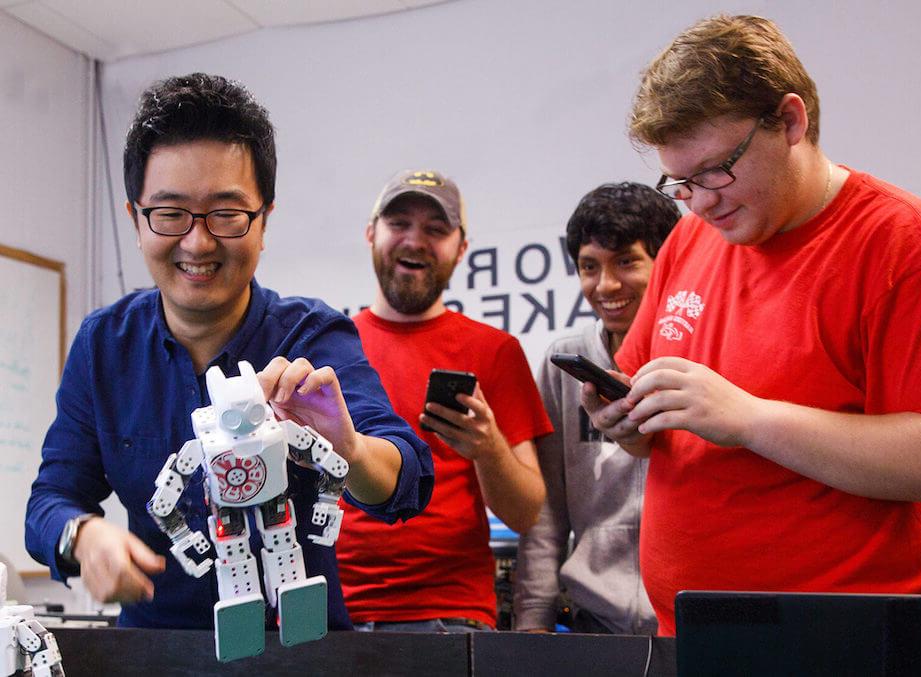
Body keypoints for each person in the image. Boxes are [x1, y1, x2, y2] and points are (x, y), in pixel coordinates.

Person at [582, 15, 921, 635]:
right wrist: (624, 421)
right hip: (689, 631)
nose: (700, 202)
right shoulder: (691, 241)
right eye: (681, 182)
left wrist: (751, 419)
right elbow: (660, 429)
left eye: (716, 171)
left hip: (840, 636)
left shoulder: (907, 244)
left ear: (790, 121)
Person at [23, 73, 434, 630]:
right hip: (155, 656)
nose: (198, 242)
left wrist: (351, 450)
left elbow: (406, 476)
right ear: (135, 221)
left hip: (299, 657)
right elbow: (51, 500)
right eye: (170, 213)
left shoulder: (311, 337)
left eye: (226, 213)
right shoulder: (105, 347)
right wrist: (83, 536)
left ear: (264, 220)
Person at [336, 169, 553, 632]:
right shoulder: (332, 346)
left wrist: (488, 446)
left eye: (435, 229)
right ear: (371, 233)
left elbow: (526, 513)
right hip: (331, 615)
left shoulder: (495, 351)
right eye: (399, 224)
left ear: (461, 249)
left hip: (449, 615)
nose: (415, 241)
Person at [513, 182, 679, 635]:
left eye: (626, 262)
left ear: (667, 261)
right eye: (590, 267)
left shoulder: (700, 356)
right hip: (595, 623)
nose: (606, 285)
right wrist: (532, 623)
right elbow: (546, 514)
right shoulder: (564, 363)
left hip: (693, 621)